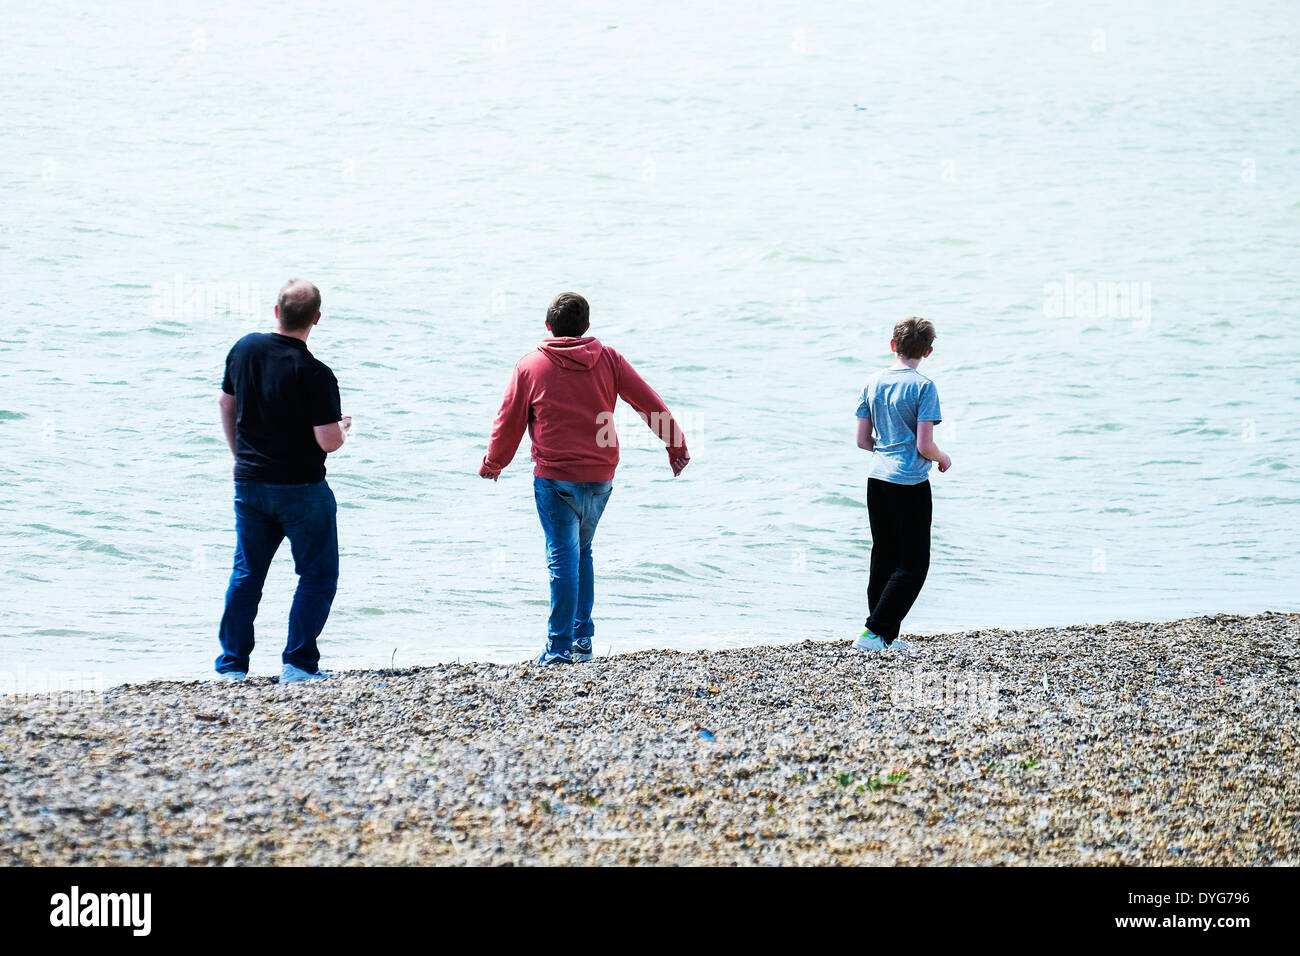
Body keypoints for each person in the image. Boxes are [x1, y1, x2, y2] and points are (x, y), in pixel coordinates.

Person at [480, 292, 690, 665]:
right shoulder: (608, 359)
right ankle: (582, 640)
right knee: (583, 552)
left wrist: (494, 463)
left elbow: (508, 420)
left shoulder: (530, 366)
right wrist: (676, 446)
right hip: (600, 475)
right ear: (586, 327)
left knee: (562, 557)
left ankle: (558, 647)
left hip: (556, 476)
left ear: (548, 326)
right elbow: (649, 404)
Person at [215, 279, 351, 683]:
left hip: (250, 482)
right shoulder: (316, 373)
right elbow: (327, 442)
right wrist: (343, 427)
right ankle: (297, 664)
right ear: (316, 319)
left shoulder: (244, 349)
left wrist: (238, 455)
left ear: (276, 311)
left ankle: (232, 667)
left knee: (247, 574)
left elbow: (226, 403)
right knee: (317, 574)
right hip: (302, 489)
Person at [853, 316, 951, 651]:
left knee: (883, 555)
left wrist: (887, 447)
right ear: (929, 351)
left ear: (893, 345)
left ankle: (883, 636)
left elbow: (863, 441)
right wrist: (942, 458)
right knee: (913, 564)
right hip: (909, 483)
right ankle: (875, 632)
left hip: (877, 478)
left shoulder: (872, 382)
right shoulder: (924, 387)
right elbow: (924, 445)